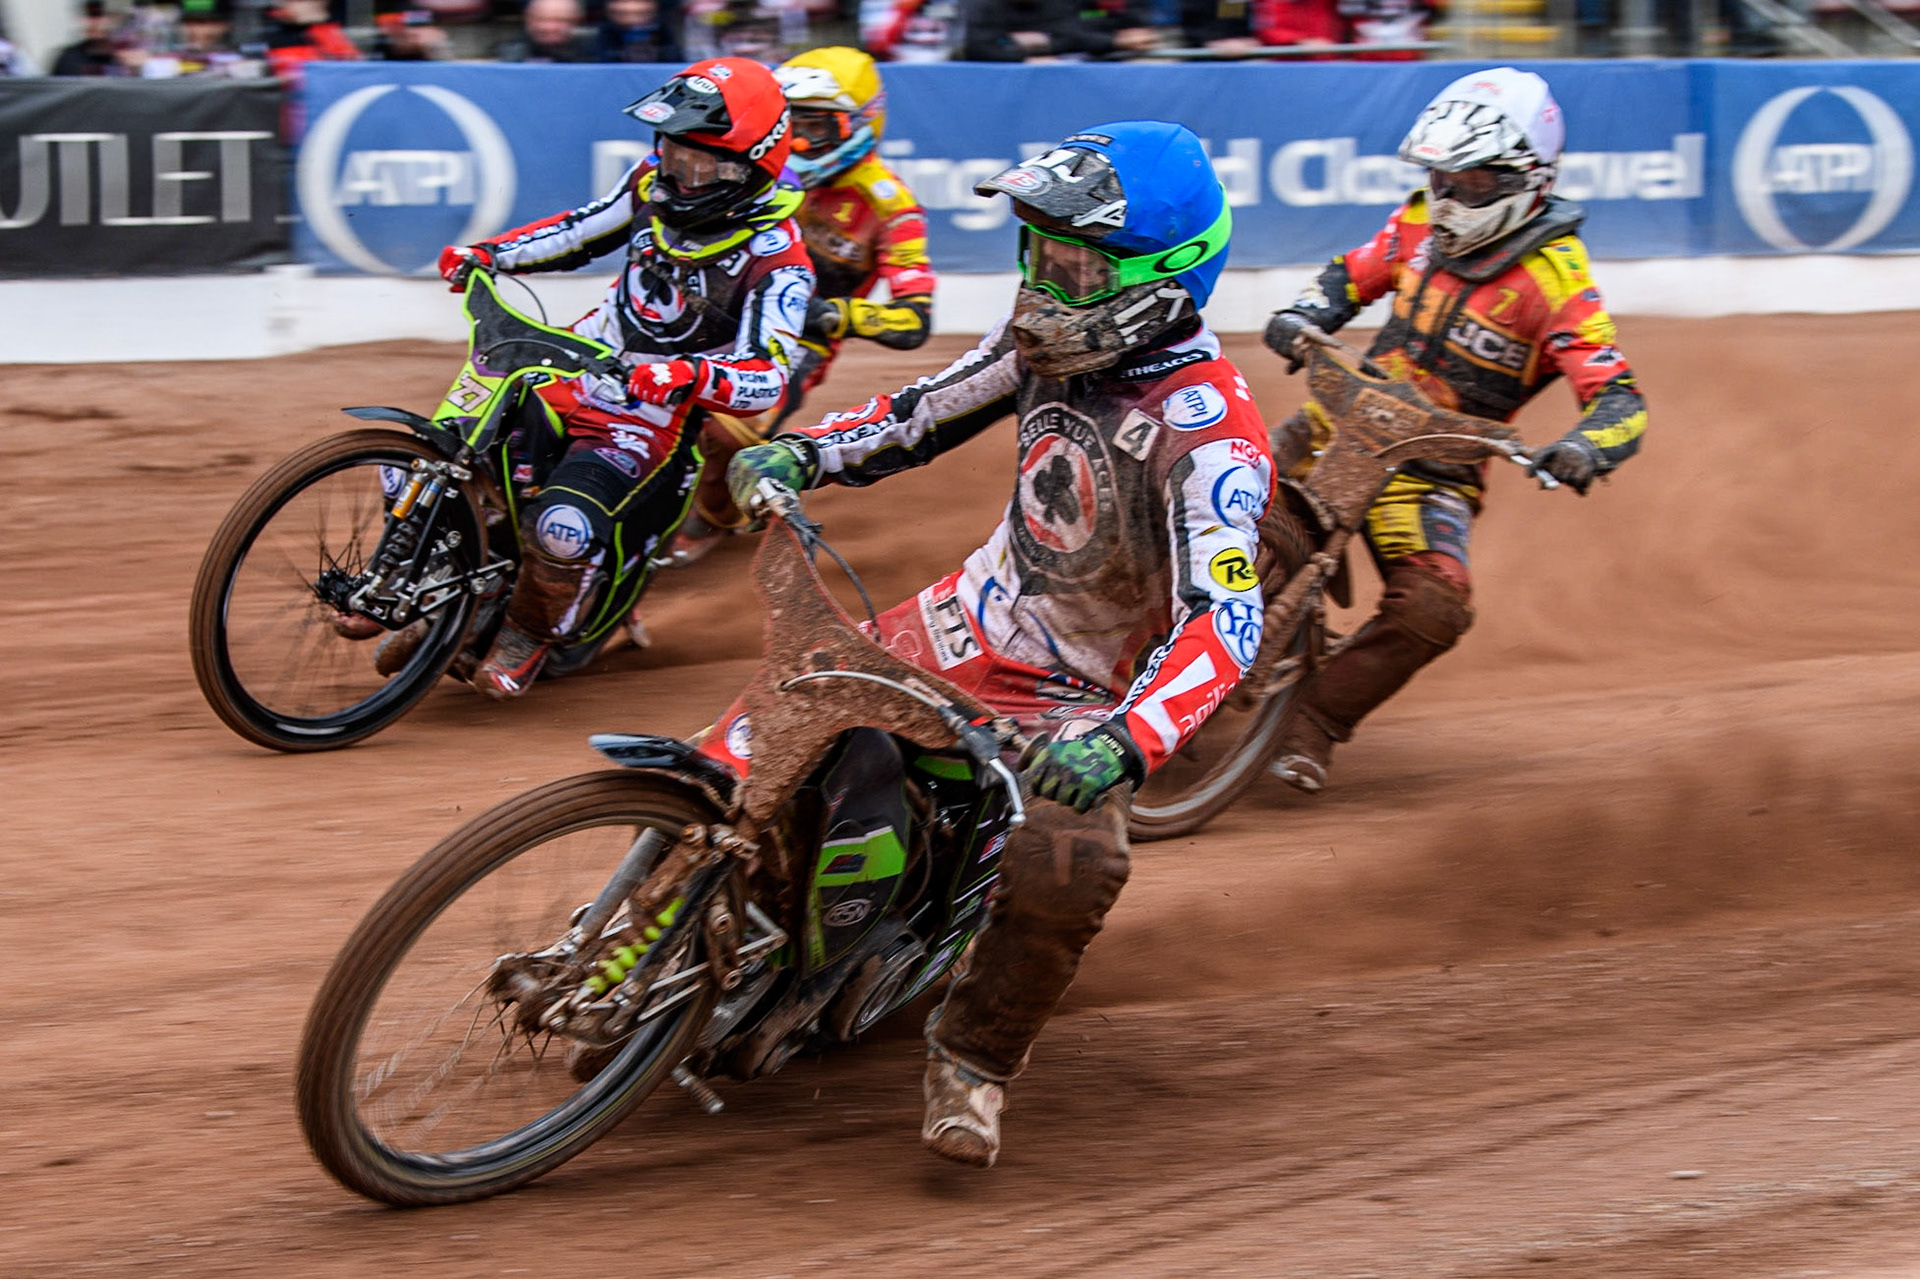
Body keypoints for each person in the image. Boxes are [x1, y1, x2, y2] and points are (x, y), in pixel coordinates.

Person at [720, 122, 1266, 1166]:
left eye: (1070, 263)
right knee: (767, 724)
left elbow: (1225, 619)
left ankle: (972, 1057)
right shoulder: (1040, 342)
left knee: (1073, 856)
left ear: (1160, 280)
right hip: (957, 622)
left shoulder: (1212, 435)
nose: (1041, 282)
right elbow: (917, 414)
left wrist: (1129, 739)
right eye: (1036, 253)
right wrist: (801, 451)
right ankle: (650, 911)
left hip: (1075, 700)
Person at [1260, 67, 1647, 793]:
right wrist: (1304, 313)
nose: (1449, 198)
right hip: (1330, 424)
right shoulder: (1415, 224)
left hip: (1431, 470)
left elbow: (1621, 399)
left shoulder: (1557, 281)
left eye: (1471, 183)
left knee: (1435, 607)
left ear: (1526, 179)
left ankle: (1313, 722)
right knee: (1209, 501)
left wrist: (1582, 449)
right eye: (1442, 178)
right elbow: (1351, 275)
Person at [428, 58, 814, 698]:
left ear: (751, 165)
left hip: (650, 415)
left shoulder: (780, 260)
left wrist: (686, 375)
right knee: (439, 452)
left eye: (698, 163)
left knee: (562, 525)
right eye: (670, 153)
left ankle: (529, 633)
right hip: (578, 362)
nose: (677, 175)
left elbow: (769, 377)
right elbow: (579, 231)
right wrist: (490, 253)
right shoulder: (649, 185)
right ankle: (412, 572)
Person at [669, 45, 935, 564]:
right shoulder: (757, 167)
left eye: (817, 126)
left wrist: (830, 315)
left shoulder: (892, 207)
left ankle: (714, 517)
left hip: (797, 339)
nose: (801, 141)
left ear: (861, 123)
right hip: (714, 304)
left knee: (722, 434)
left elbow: (913, 320)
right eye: (791, 124)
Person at [959, 0, 1156, 59]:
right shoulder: (982, 5)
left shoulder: (1056, 4)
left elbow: (1070, 36)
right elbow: (978, 45)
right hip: (996, 78)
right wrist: (1022, 55)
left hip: (1052, 70)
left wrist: (1035, 46)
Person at [493, 0, 590, 61]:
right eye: (541, 19)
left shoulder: (593, 57)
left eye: (561, 20)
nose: (550, 27)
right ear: (528, 19)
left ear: (577, 21)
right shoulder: (509, 55)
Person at [586, 0, 681, 62]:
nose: (629, 7)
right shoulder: (597, 41)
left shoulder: (669, 38)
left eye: (641, 13)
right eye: (622, 13)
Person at [52, 0, 121, 75]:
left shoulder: (125, 60)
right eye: (87, 14)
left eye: (96, 14)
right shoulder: (69, 58)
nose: (90, 22)